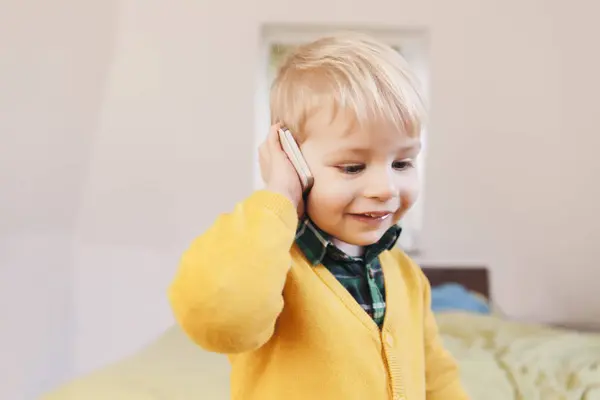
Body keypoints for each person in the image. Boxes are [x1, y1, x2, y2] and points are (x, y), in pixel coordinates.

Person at [168, 32, 469, 400]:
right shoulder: (270, 265)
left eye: (402, 162)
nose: (386, 188)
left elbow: (436, 377)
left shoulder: (405, 275)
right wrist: (280, 194)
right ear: (291, 159)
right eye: (353, 166)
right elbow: (221, 319)